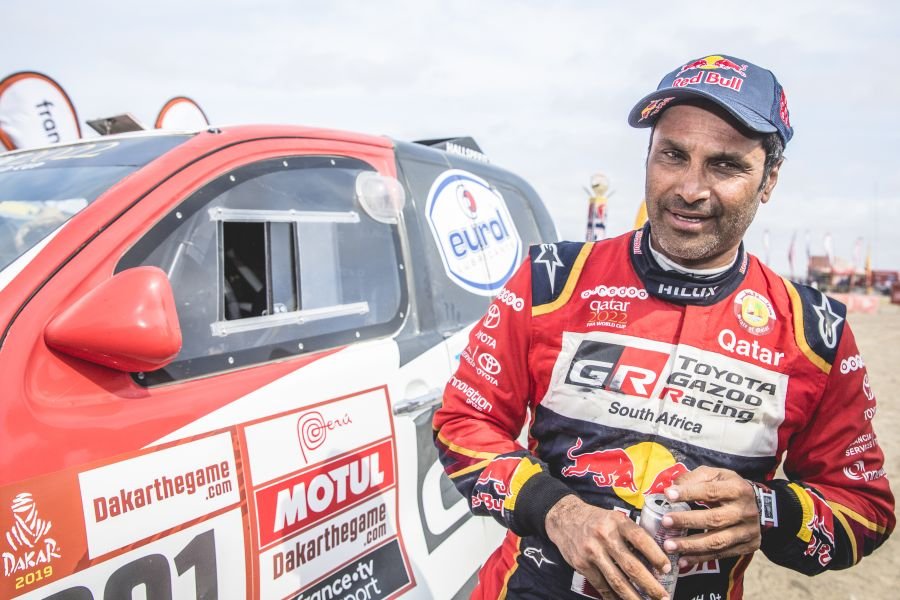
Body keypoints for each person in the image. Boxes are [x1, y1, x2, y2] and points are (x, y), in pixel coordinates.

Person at [433, 54, 894, 600]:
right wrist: (557, 511)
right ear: (648, 155)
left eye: (725, 165)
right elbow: (463, 422)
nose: (690, 188)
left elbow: (864, 507)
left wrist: (770, 511)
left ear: (769, 180)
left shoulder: (815, 333)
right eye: (673, 155)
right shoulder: (550, 280)